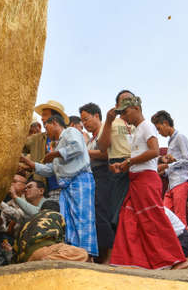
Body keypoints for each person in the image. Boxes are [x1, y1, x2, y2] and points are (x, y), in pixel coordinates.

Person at [109, 95, 187, 269]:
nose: (125, 117)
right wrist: (124, 164)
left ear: (136, 109)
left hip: (146, 180)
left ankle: (177, 259)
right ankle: (129, 261)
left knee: (154, 218)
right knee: (128, 217)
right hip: (136, 180)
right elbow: (145, 156)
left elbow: (153, 151)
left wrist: (129, 162)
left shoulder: (146, 127)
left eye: (126, 112)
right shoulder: (138, 130)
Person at [20, 115, 98, 257]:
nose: (46, 131)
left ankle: (87, 255)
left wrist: (55, 154)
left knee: (82, 218)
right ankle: (75, 254)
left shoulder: (70, 132)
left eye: (46, 127)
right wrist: (32, 164)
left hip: (80, 180)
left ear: (55, 122)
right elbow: (51, 170)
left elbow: (78, 148)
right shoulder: (58, 144)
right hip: (68, 186)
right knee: (69, 220)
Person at [79, 103, 114, 264]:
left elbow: (106, 153)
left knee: (102, 214)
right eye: (83, 121)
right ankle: (101, 254)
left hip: (104, 175)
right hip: (93, 178)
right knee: (96, 215)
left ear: (97, 116)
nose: (85, 123)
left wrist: (85, 153)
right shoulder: (91, 138)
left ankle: (109, 255)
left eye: (87, 119)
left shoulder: (103, 132)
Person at [2, 200, 88, 263]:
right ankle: (45, 262)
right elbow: (60, 239)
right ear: (58, 211)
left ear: (40, 210)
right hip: (44, 252)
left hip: (26, 259)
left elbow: (15, 251)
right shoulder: (56, 215)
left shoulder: (27, 221)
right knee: (82, 253)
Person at [97, 90, 136, 228]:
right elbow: (102, 147)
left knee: (137, 212)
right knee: (118, 212)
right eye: (124, 100)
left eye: (131, 100)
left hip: (137, 166)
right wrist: (108, 121)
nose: (128, 103)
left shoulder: (140, 122)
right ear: (116, 105)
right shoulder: (111, 122)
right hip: (118, 166)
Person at [151, 110, 188, 225]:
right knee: (166, 216)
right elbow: (174, 165)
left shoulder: (180, 137)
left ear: (165, 123)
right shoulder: (171, 142)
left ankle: (184, 243)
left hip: (181, 181)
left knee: (179, 218)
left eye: (159, 128)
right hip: (172, 184)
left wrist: (168, 165)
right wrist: (164, 172)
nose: (159, 133)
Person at [23, 100, 70, 202]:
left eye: (45, 115)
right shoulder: (36, 138)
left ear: (54, 119)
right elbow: (20, 146)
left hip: (66, 186)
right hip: (46, 187)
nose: (42, 118)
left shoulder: (68, 136)